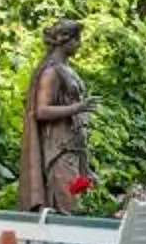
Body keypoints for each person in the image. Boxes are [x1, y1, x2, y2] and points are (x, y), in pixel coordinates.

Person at [17, 19, 93, 211]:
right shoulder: (51, 72)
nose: (80, 45)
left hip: (73, 143)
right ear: (66, 41)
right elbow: (41, 111)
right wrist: (77, 108)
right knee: (65, 203)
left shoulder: (67, 69)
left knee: (76, 202)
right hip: (58, 146)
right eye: (78, 39)